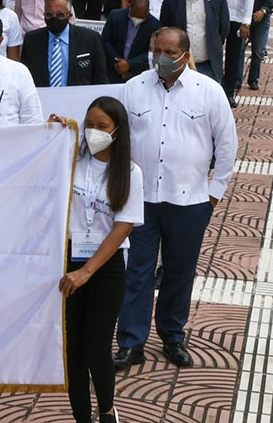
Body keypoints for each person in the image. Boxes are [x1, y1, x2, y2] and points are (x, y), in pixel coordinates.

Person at [113, 27, 237, 370]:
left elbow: (227, 146)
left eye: (170, 52)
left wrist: (213, 195)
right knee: (136, 271)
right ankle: (131, 341)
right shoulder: (133, 87)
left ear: (185, 54)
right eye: (158, 50)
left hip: (190, 201)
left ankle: (171, 335)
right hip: (140, 201)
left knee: (179, 273)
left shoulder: (208, 91)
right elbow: (118, 137)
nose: (162, 58)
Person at [52, 97, 144, 423]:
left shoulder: (130, 172)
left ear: (117, 131)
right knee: (73, 354)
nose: (93, 132)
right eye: (89, 124)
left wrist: (87, 272)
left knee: (96, 350)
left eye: (102, 126)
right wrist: (54, 131)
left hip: (106, 268)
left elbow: (122, 229)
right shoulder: (72, 160)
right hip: (69, 260)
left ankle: (106, 409)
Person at [158, 0, 230, 83]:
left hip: (208, 64)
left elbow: (223, 30)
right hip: (179, 64)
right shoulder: (171, 0)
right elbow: (165, 27)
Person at [205, 0, 256, 107]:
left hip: (236, 17)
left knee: (233, 57)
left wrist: (246, 23)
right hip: (217, 16)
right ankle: (212, 90)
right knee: (213, 53)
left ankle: (228, 93)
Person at [20, 0, 108, 87]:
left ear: (69, 16)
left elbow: (101, 79)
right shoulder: (31, 40)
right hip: (43, 98)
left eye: (60, 15)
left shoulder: (90, 39)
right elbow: (25, 79)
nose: (54, 18)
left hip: (79, 99)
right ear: (44, 15)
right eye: (49, 15)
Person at [101, 0, 161, 81]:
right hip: (112, 69)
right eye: (135, 16)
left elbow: (151, 52)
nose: (137, 20)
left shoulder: (155, 25)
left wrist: (129, 65)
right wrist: (120, 64)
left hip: (137, 73)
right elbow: (106, 41)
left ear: (148, 11)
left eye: (141, 18)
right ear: (129, 7)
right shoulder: (115, 16)